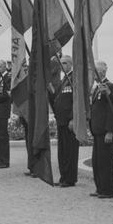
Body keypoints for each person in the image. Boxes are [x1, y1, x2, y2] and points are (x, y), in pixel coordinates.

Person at [89, 61, 113, 198]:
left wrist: (110, 131)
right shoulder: (97, 88)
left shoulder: (110, 86)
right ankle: (100, 187)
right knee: (97, 161)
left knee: (106, 161)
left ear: (102, 72)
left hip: (105, 131)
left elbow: (112, 110)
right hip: (97, 130)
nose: (93, 74)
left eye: (96, 72)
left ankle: (110, 190)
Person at [48, 54, 79, 187]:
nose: (62, 66)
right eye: (61, 64)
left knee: (70, 151)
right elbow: (57, 98)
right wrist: (50, 89)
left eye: (65, 63)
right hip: (61, 120)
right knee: (62, 151)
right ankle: (63, 177)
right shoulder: (63, 80)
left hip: (69, 121)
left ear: (71, 64)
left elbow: (76, 100)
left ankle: (70, 178)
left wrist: (73, 118)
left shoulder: (74, 78)